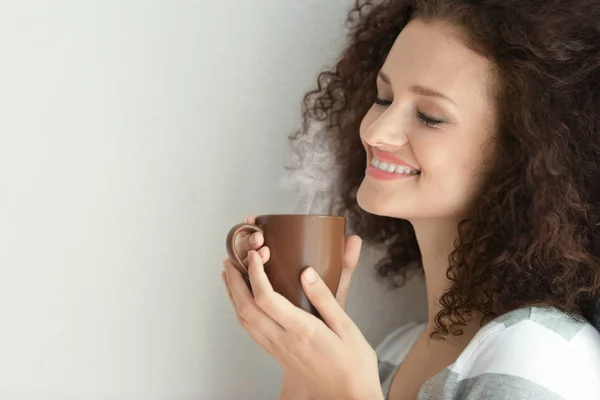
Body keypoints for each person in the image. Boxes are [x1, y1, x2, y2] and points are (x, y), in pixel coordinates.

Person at [221, 0, 600, 398]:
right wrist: (304, 357)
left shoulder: (538, 356)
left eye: (430, 116)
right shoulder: (393, 353)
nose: (376, 132)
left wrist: (349, 390)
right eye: (383, 98)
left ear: (526, 150)